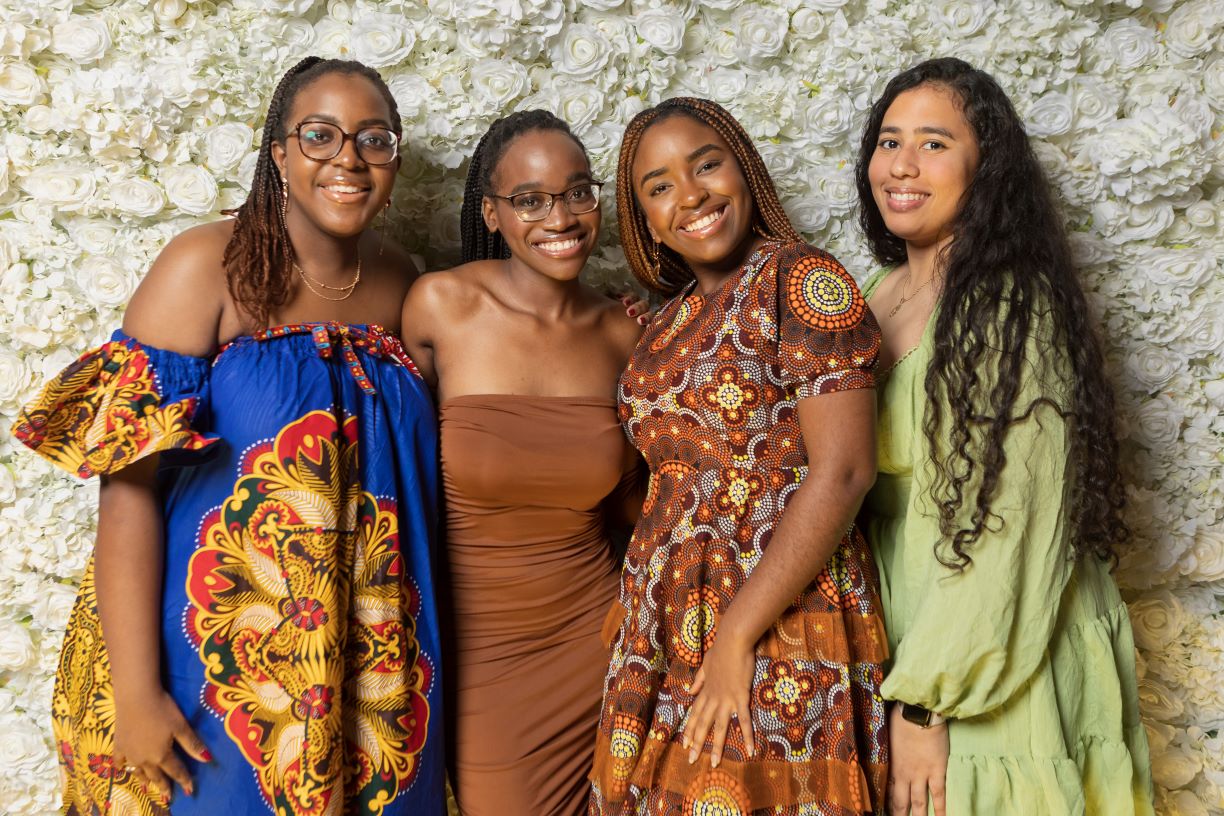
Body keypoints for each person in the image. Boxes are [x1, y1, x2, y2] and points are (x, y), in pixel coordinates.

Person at [13, 57, 446, 813]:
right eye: (320, 135)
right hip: (218, 659)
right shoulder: (203, 267)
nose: (348, 158)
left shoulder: (403, 281)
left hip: (369, 661)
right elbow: (129, 495)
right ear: (278, 152)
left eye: (374, 139)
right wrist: (139, 693)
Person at [854, 57, 1154, 815]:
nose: (902, 165)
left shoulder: (1008, 311)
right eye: (889, 142)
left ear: (986, 169)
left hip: (990, 638)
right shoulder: (871, 292)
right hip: (904, 616)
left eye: (934, 143)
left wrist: (928, 705)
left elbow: (1009, 525)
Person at [591, 96, 887, 816]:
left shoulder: (802, 278)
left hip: (776, 610)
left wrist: (734, 638)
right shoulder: (665, 321)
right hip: (664, 625)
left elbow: (845, 471)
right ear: (645, 221)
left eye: (706, 165)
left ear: (744, 169)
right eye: (659, 187)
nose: (689, 195)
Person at [400, 110, 645, 816]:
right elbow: (387, 460)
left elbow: (639, 507)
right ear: (493, 214)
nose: (560, 216)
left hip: (600, 638)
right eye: (531, 200)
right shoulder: (440, 306)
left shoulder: (621, 332)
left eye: (577, 192)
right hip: (483, 655)